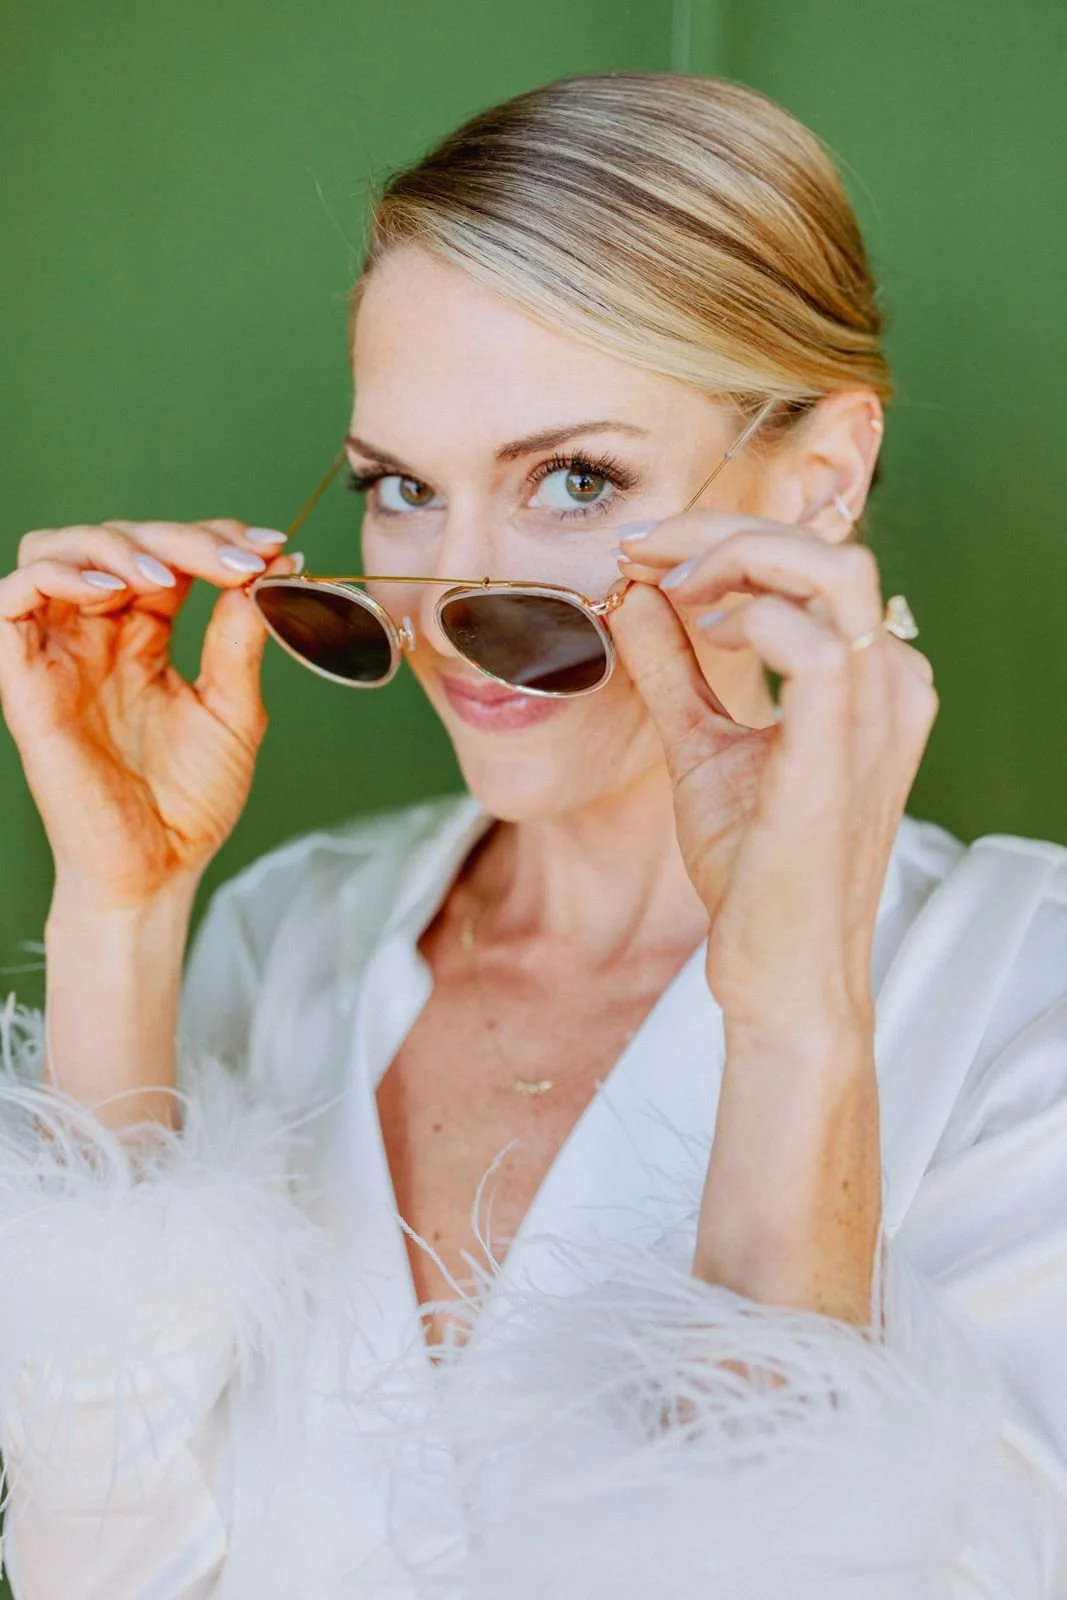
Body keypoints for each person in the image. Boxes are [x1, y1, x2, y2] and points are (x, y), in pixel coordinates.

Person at [0, 72, 1065, 1600]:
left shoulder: (1021, 1011)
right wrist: (119, 921)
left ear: (819, 478)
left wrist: (791, 1025)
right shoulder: (284, 940)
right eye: (398, 491)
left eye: (573, 481)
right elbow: (91, 1578)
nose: (449, 606)